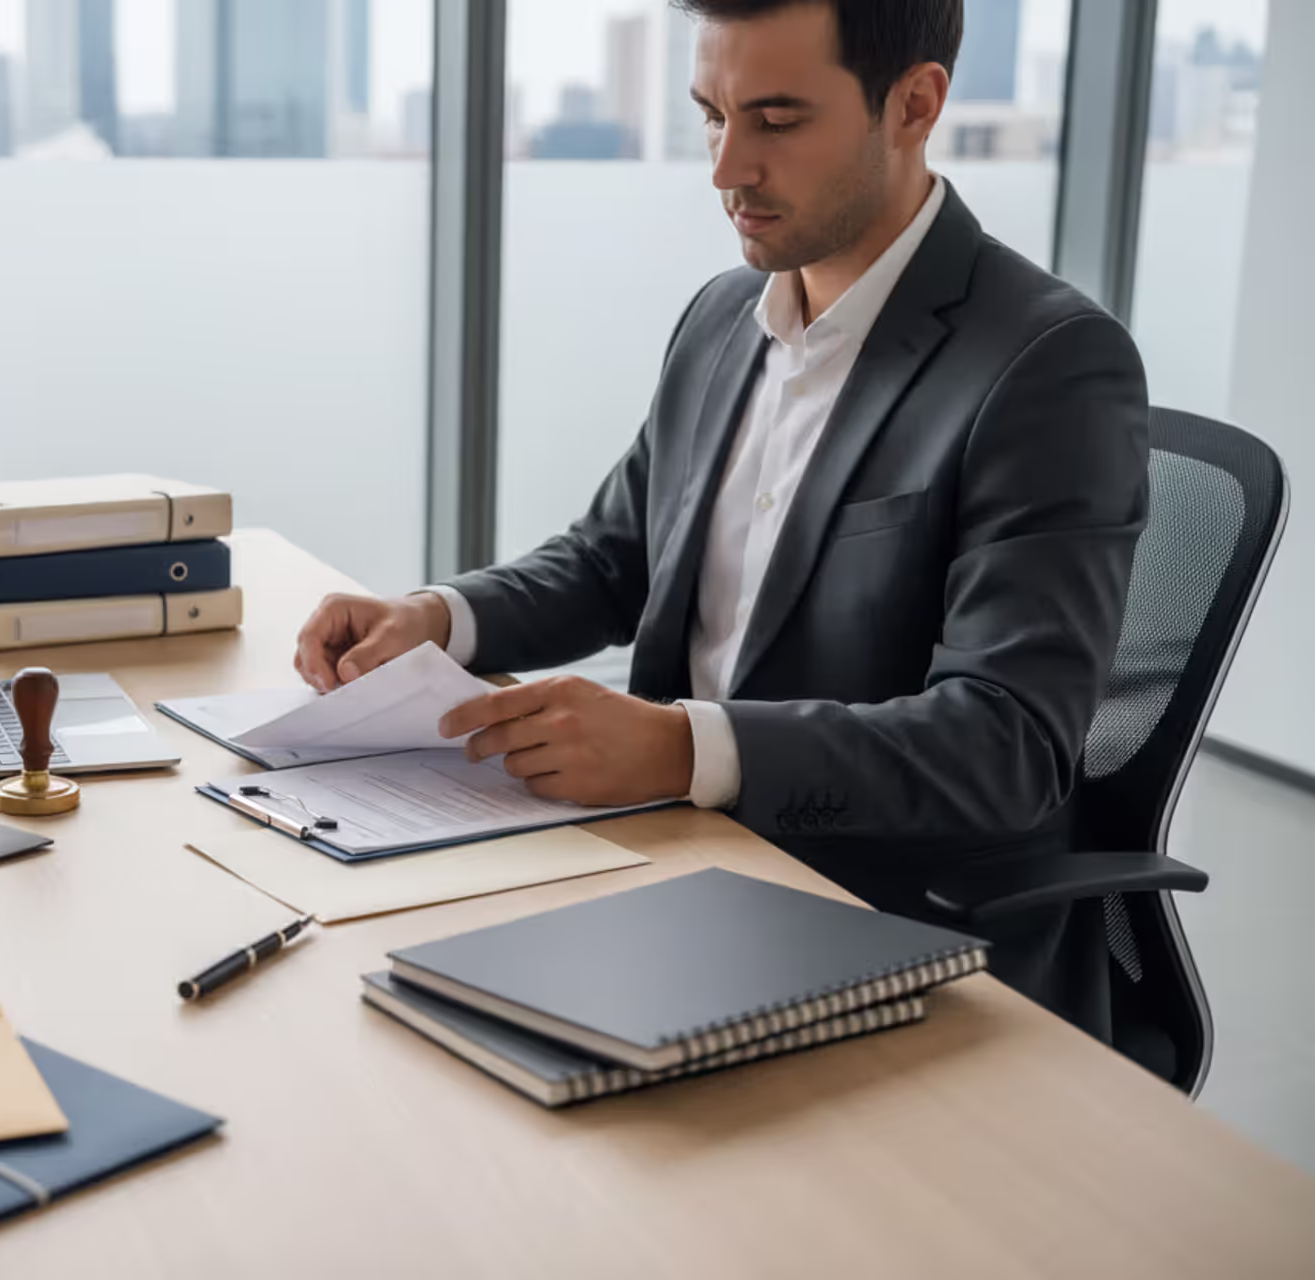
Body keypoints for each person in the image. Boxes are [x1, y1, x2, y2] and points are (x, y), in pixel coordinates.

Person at [292, 0, 1148, 1040]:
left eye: (778, 122)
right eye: (711, 115)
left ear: (914, 105)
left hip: (881, 926)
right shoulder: (721, 318)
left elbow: (1007, 743)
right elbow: (615, 559)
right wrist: (437, 617)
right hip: (678, 865)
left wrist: (682, 748)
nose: (725, 168)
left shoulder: (1047, 365)